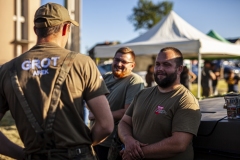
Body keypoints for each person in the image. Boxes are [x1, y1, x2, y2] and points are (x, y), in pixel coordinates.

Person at [0, 3, 114, 160]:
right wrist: (82, 147)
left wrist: (22, 154)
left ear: (35, 30)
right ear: (66, 28)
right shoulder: (81, 63)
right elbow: (106, 125)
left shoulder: (7, 70)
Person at [118, 47, 201, 160]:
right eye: (157, 64)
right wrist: (129, 141)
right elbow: (124, 122)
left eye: (167, 64)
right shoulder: (142, 94)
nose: (160, 68)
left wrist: (136, 153)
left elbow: (179, 144)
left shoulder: (186, 100)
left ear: (179, 69)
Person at [89, 47, 145, 160]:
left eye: (124, 62)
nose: (119, 64)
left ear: (132, 65)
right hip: (95, 138)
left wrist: (98, 115)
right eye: (116, 60)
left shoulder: (134, 81)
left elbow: (128, 112)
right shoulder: (106, 77)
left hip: (114, 143)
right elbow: (90, 100)